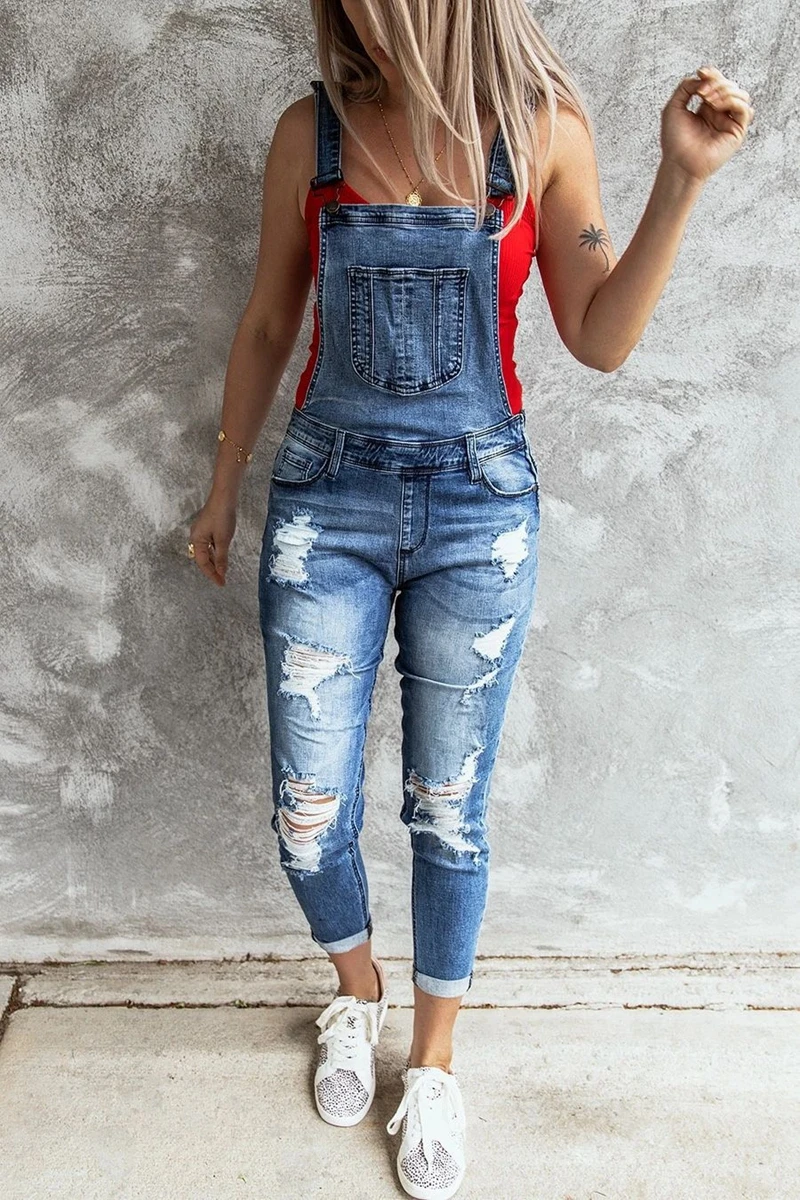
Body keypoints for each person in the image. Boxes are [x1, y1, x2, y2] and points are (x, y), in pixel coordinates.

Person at [187, 1, 754, 1195]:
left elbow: (597, 337)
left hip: (476, 515)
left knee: (446, 810)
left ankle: (434, 1060)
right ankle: (356, 994)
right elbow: (269, 319)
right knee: (305, 810)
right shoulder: (309, 133)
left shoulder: (541, 134)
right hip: (325, 503)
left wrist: (680, 180)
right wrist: (224, 483)